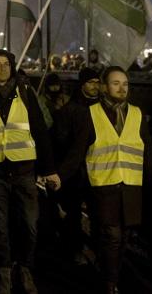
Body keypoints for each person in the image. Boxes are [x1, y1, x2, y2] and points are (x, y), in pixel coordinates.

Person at [0, 49, 59, 294]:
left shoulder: (25, 93)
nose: (2, 68)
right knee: (0, 226)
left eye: (6, 64)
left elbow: (39, 131)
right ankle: (5, 270)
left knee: (30, 224)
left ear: (13, 67)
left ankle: (25, 267)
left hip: (24, 169)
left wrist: (49, 169)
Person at [58, 67, 149, 293]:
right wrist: (59, 175)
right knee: (112, 235)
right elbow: (77, 151)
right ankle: (110, 283)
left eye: (125, 84)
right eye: (116, 83)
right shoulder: (90, 114)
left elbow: (148, 150)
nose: (122, 88)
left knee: (124, 236)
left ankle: (110, 271)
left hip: (130, 186)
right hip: (103, 186)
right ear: (104, 87)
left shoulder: (137, 114)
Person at [52, 67, 100, 265]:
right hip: (76, 172)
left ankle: (92, 249)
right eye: (91, 83)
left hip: (98, 169)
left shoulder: (102, 109)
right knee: (73, 214)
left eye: (98, 83)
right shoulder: (71, 110)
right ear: (82, 85)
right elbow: (60, 140)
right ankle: (75, 250)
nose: (95, 87)